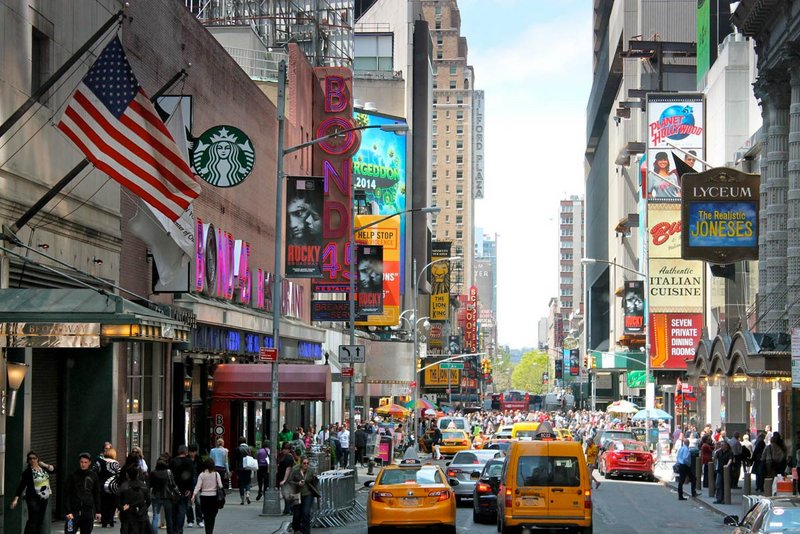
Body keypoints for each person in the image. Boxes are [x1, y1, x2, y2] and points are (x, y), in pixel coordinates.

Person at [12, 451, 55, 534]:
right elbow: (22, 486)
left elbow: (54, 470)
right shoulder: (27, 472)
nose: (32, 460)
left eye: (34, 458)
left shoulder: (43, 469)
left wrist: (45, 465)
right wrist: (16, 499)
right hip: (32, 497)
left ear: (37, 459)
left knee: (40, 519)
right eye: (30, 459)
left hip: (44, 498)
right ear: (28, 461)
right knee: (33, 518)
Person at [64, 452, 101, 534]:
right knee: (69, 532)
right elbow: (66, 494)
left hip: (87, 512)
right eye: (81, 462)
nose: (83, 464)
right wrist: (68, 511)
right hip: (73, 512)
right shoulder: (72, 476)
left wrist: (98, 511)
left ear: (89, 463)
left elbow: (97, 494)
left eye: (85, 462)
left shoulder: (93, 476)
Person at [286, 457, 319, 534]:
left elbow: (315, 482)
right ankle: (296, 528)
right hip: (297, 494)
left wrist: (315, 478)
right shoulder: (295, 471)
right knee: (297, 513)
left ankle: (306, 532)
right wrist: (297, 483)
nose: (306, 465)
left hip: (308, 494)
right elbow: (289, 481)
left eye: (307, 463)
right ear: (301, 463)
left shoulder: (310, 471)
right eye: (304, 463)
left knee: (306, 512)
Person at [192, 458, 222, 534]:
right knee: (212, 516)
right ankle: (210, 531)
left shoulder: (202, 475)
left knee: (206, 516)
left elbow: (198, 486)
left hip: (204, 497)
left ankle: (207, 531)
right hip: (214, 497)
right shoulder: (216, 474)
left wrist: (194, 495)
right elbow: (220, 485)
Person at [117, 464, 151, 534]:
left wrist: (121, 508)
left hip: (128, 514)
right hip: (141, 514)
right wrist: (144, 508)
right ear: (137, 474)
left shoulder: (123, 486)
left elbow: (118, 500)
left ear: (127, 475)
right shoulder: (143, 486)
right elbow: (148, 500)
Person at [150, 454, 177, 534]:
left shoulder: (153, 473)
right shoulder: (168, 472)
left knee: (155, 517)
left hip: (155, 496)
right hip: (167, 496)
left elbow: (150, 484)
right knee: (169, 518)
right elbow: (173, 484)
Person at [96, 447, 120, 528]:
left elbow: (94, 471)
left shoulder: (99, 462)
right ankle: (111, 519)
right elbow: (119, 474)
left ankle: (104, 521)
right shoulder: (115, 463)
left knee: (104, 504)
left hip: (102, 486)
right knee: (112, 504)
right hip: (113, 487)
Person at [186, 445, 204, 528]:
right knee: (188, 503)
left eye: (193, 452)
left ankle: (199, 520)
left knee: (198, 502)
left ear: (196, 452)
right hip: (188, 484)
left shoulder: (199, 460)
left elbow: (202, 471)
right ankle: (190, 520)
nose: (192, 453)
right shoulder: (186, 460)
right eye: (190, 452)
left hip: (198, 484)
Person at [276, 443, 296, 515]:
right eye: (283, 449)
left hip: (287, 478)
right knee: (286, 494)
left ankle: (288, 509)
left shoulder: (289, 457)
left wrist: (284, 479)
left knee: (286, 494)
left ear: (289, 450)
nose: (283, 450)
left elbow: (288, 469)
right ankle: (288, 509)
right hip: (284, 477)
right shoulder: (286, 456)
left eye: (285, 449)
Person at [233, 437, 253, 505]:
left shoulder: (237, 449)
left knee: (241, 483)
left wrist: (233, 469)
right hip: (248, 468)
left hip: (240, 468)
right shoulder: (250, 449)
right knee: (248, 482)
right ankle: (247, 494)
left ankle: (242, 499)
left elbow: (235, 460)